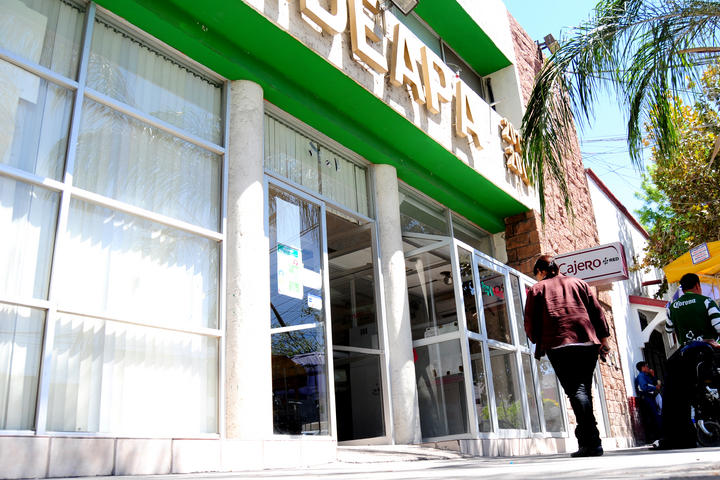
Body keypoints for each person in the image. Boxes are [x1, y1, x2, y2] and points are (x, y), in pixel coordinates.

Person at [524, 255, 611, 458]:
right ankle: (589, 440)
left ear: (541, 271)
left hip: (559, 342)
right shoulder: (579, 283)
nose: (537, 278)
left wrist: (537, 338)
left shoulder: (537, 289)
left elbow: (530, 320)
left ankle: (592, 443)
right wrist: (604, 340)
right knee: (583, 391)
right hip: (587, 341)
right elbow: (597, 312)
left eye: (537, 274)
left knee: (576, 391)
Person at [655, 273, 720, 450]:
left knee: (676, 392)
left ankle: (678, 435)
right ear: (697, 286)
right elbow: (718, 326)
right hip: (706, 352)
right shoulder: (706, 302)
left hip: (685, 354)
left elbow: (669, 329)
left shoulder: (672, 306)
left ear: (682, 289)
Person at [635, 361, 661, 443]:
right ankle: (654, 437)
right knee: (652, 417)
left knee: (655, 416)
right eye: (647, 366)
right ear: (642, 368)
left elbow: (654, 383)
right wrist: (654, 388)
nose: (648, 368)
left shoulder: (647, 376)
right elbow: (644, 387)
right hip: (646, 398)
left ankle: (657, 436)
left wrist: (653, 375)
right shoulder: (641, 376)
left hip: (651, 398)